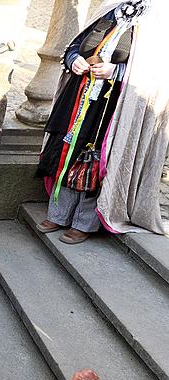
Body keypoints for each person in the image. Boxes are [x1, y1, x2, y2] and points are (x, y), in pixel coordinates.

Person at [35, 0, 166, 240]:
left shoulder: (159, 19)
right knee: (67, 148)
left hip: (116, 103)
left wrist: (116, 71)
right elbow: (76, 44)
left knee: (95, 157)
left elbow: (157, 73)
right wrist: (74, 59)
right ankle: (59, 213)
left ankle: (84, 222)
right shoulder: (110, 8)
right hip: (80, 94)